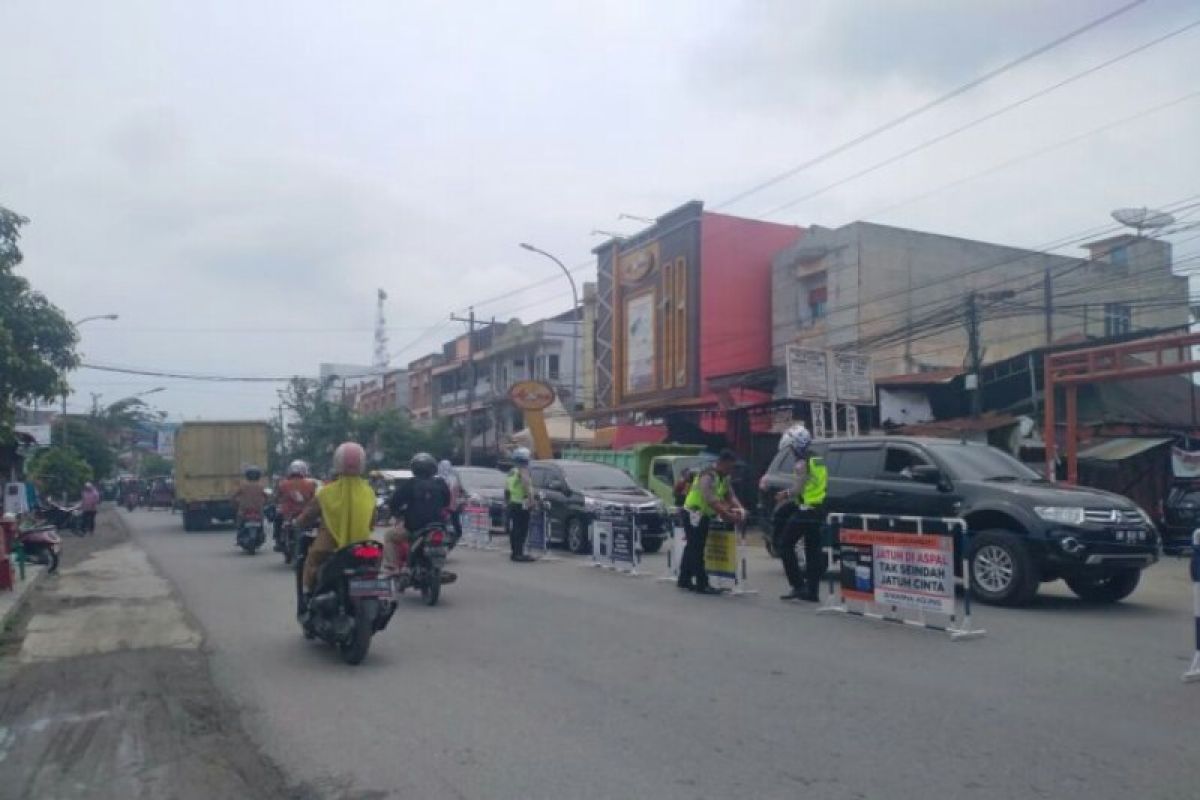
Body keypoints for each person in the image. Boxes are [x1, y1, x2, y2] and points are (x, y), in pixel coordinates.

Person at [294, 442, 377, 615]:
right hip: (362, 547)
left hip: (331, 545)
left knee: (313, 558)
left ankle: (308, 593)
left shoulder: (326, 492)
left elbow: (308, 516)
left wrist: (298, 522)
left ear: (337, 463)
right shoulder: (369, 492)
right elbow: (372, 521)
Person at [773, 423, 828, 602]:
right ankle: (812, 592)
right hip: (819, 509)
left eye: (790, 446)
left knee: (785, 545)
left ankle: (797, 585)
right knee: (812, 551)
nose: (790, 450)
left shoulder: (802, 462)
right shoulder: (818, 459)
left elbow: (798, 488)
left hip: (805, 510)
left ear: (796, 444)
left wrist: (785, 494)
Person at [679, 450, 745, 594]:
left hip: (703, 515)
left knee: (692, 546)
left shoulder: (725, 478)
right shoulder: (707, 475)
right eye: (730, 466)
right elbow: (710, 499)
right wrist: (727, 515)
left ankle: (684, 579)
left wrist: (740, 510)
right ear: (721, 463)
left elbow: (730, 496)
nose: (731, 470)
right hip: (693, 513)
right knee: (697, 549)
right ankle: (702, 584)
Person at [384, 452, 451, 574]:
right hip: (438, 526)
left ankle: (392, 568)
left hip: (414, 529)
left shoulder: (410, 484)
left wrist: (397, 514)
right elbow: (447, 502)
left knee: (389, 536)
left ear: (414, 468)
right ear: (433, 468)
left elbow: (394, 502)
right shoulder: (441, 483)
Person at [273, 460, 317, 551]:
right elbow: (315, 499)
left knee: (277, 519)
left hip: (288, 514)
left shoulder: (283, 484)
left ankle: (277, 540)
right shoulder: (310, 484)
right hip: (305, 513)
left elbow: (276, 497)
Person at [506, 447, 535, 562]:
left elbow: (507, 488)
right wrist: (531, 499)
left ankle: (515, 553)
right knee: (522, 529)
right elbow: (526, 484)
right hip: (522, 503)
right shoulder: (523, 470)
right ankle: (519, 554)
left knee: (515, 529)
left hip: (513, 502)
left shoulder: (512, 471)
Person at [437, 459, 463, 545]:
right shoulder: (454, 477)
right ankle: (455, 537)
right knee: (455, 524)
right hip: (453, 507)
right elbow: (459, 491)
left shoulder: (439, 479)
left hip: (442, 507)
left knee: (441, 524)